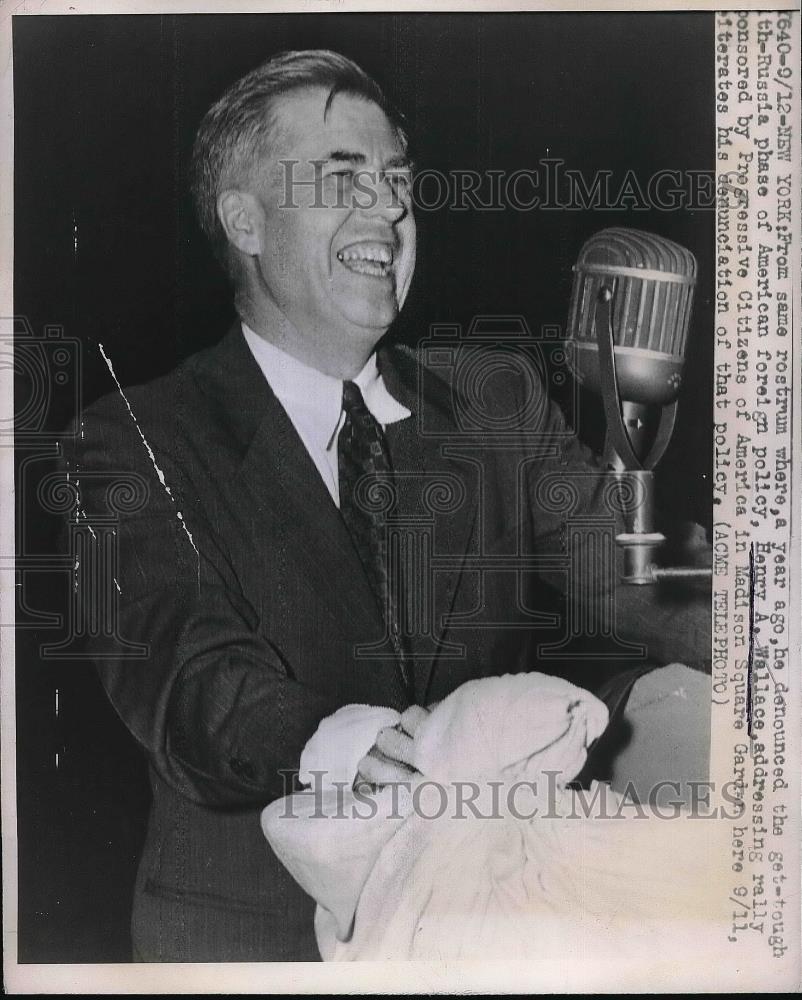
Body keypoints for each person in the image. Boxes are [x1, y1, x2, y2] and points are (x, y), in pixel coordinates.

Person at [63, 50, 711, 962]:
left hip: (495, 935)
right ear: (243, 219)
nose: (391, 208)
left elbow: (633, 574)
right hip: (256, 948)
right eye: (344, 177)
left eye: (399, 180)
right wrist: (328, 743)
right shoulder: (132, 438)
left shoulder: (496, 398)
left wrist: (766, 624)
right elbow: (186, 674)